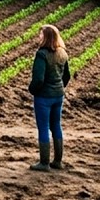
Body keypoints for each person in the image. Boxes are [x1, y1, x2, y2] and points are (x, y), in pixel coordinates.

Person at [28, 24, 71, 171]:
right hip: (58, 95)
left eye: (41, 34)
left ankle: (44, 163)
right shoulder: (62, 53)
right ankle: (58, 161)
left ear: (46, 37)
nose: (38, 37)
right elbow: (67, 76)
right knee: (56, 126)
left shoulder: (42, 54)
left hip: (44, 97)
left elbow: (38, 79)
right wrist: (59, 87)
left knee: (44, 128)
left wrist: (32, 90)